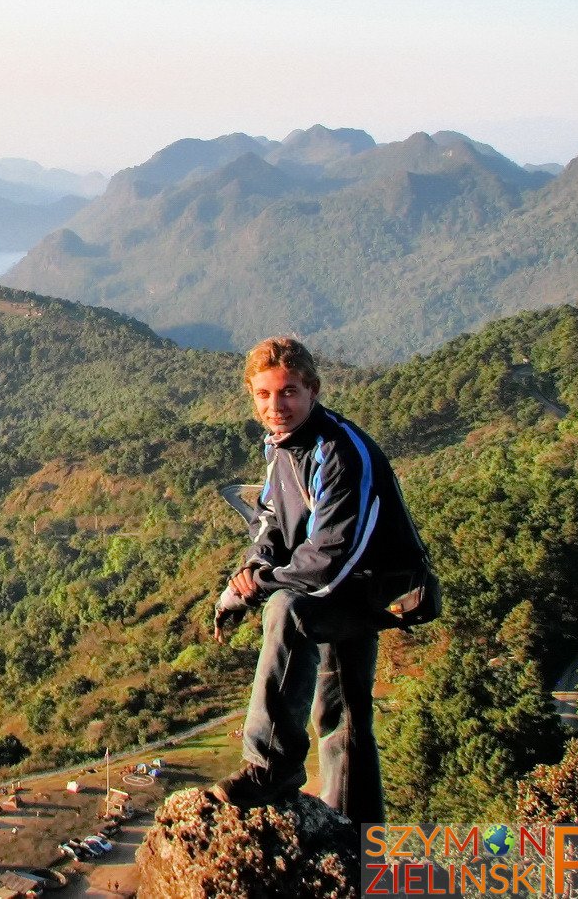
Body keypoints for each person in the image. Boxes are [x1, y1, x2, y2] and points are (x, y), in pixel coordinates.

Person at [210, 336, 428, 827]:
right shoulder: (282, 448)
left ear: (312, 390)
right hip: (336, 584)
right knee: (344, 713)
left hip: (371, 586)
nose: (276, 405)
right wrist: (249, 572)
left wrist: (261, 587)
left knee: (289, 612)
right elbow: (270, 521)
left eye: (288, 392)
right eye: (264, 395)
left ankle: (270, 767)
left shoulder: (340, 451)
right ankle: (355, 833)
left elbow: (333, 555)